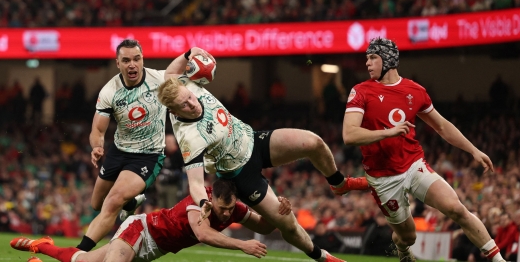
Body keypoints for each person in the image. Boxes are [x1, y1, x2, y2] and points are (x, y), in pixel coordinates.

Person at [157, 47, 369, 262]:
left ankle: (338, 183)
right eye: (184, 104)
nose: (192, 103)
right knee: (288, 224)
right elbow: (195, 182)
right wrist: (203, 202)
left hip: (254, 141)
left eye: (190, 97)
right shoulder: (189, 137)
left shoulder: (183, 84)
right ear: (174, 112)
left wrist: (189, 53)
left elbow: (169, 73)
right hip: (239, 174)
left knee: (313, 142)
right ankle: (323, 257)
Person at [342, 37, 505, 262]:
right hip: (383, 178)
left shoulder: (415, 91)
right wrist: (388, 132)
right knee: (408, 237)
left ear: (388, 59)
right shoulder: (360, 92)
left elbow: (441, 125)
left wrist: (473, 150)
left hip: (413, 165)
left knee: (456, 208)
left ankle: (499, 260)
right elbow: (349, 135)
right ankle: (403, 250)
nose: (367, 63)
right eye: (367, 58)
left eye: (372, 58)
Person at [10, 178, 291, 262]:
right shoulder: (199, 201)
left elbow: (265, 225)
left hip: (152, 250)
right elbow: (203, 235)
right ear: (212, 198)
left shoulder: (235, 208)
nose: (227, 214)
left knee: (80, 261)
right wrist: (242, 246)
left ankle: (41, 246)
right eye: (222, 209)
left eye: (230, 210)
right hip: (141, 231)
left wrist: (280, 213)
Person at [78, 39, 180, 252]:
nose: (132, 64)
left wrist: (191, 56)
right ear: (118, 63)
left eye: (137, 59)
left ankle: (79, 252)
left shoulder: (160, 79)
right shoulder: (110, 91)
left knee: (113, 200)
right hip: (118, 151)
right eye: (126, 60)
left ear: (143, 59)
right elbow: (97, 130)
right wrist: (97, 147)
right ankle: (130, 204)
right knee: (97, 204)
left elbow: (186, 80)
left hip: (148, 155)